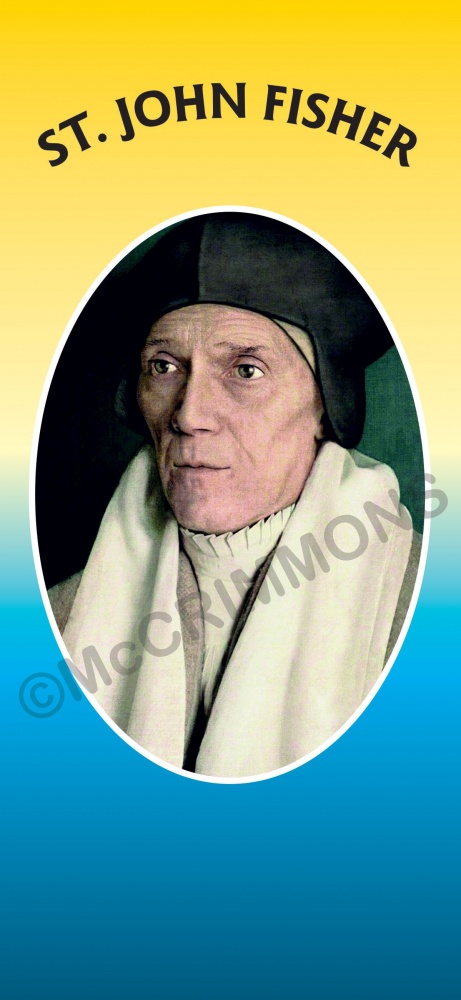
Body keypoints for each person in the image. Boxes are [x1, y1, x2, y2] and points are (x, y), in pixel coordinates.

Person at [48, 212, 421, 778]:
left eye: (245, 370)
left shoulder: (418, 608)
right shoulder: (61, 620)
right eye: (163, 366)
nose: (189, 414)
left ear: (325, 406)